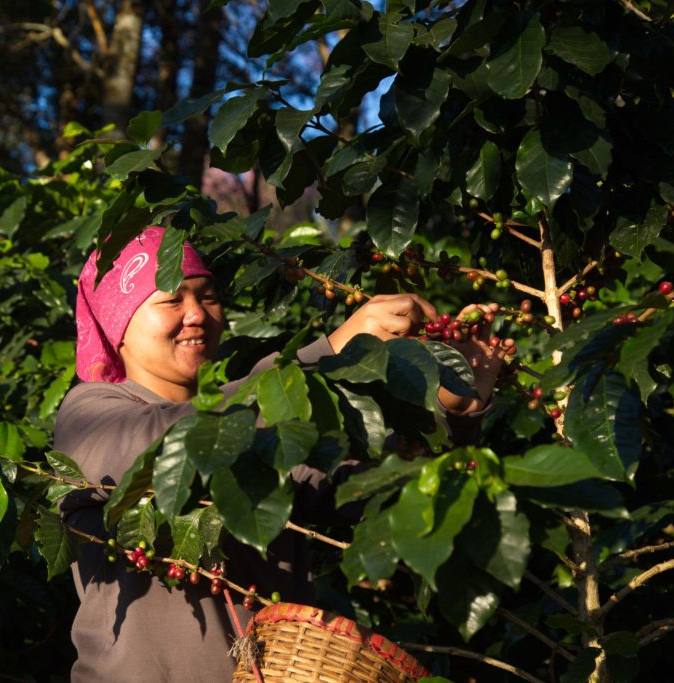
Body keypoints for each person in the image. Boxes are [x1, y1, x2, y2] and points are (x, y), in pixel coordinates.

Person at [54, 227, 507, 682]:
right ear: (120, 327)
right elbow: (172, 440)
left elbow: (386, 493)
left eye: (207, 295)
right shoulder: (89, 415)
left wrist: (452, 411)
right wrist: (326, 356)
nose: (196, 314)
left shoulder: (265, 428)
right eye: (171, 299)